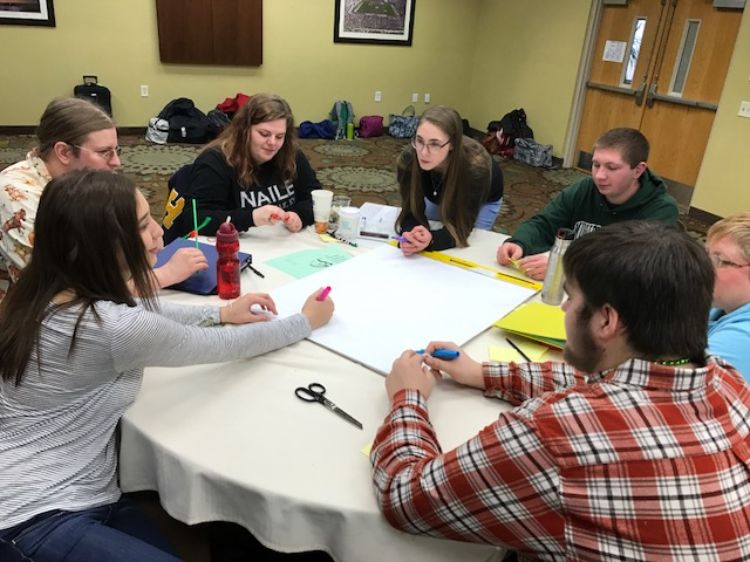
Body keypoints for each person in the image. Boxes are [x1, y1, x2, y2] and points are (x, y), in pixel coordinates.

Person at [0, 169, 333, 562]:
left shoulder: (46, 289)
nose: (160, 232)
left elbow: (140, 310)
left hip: (81, 492)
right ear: (104, 246)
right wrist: (306, 320)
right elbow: (218, 346)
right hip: (32, 517)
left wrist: (222, 312)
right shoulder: (113, 329)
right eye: (143, 225)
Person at [371, 221, 750, 560]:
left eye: (572, 297)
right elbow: (612, 382)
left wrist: (408, 398)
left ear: (606, 320)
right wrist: (484, 374)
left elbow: (405, 498)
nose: (565, 307)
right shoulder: (727, 381)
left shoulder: (559, 430)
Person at [0, 97, 207, 302]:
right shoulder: (17, 198)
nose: (116, 162)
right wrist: (165, 275)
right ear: (63, 152)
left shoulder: (82, 177)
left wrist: (147, 232)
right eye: (104, 153)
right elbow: (69, 295)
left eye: (116, 151)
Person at [496, 128, 678, 279]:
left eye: (611, 168)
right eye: (596, 165)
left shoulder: (660, 210)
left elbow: (637, 268)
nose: (599, 175)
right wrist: (520, 243)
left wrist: (565, 267)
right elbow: (544, 223)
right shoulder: (585, 189)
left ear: (638, 170)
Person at [162, 93, 320, 242]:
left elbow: (316, 198)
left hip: (283, 244)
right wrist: (250, 218)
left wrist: (299, 215)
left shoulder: (291, 154)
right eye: (264, 134)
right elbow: (196, 219)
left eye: (279, 136)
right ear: (244, 131)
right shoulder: (215, 161)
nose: (273, 143)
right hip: (234, 246)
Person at [395, 105, 504, 256]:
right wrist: (410, 234)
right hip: (436, 190)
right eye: (419, 141)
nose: (423, 153)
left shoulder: (475, 167)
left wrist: (432, 240)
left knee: (469, 249)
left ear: (452, 143)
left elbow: (462, 227)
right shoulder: (409, 160)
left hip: (481, 197)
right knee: (428, 230)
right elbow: (411, 210)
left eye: (434, 144)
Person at [706, 210, 750, 379]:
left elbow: (676, 385)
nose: (703, 267)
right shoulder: (723, 303)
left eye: (720, 261)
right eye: (706, 255)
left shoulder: (743, 338)